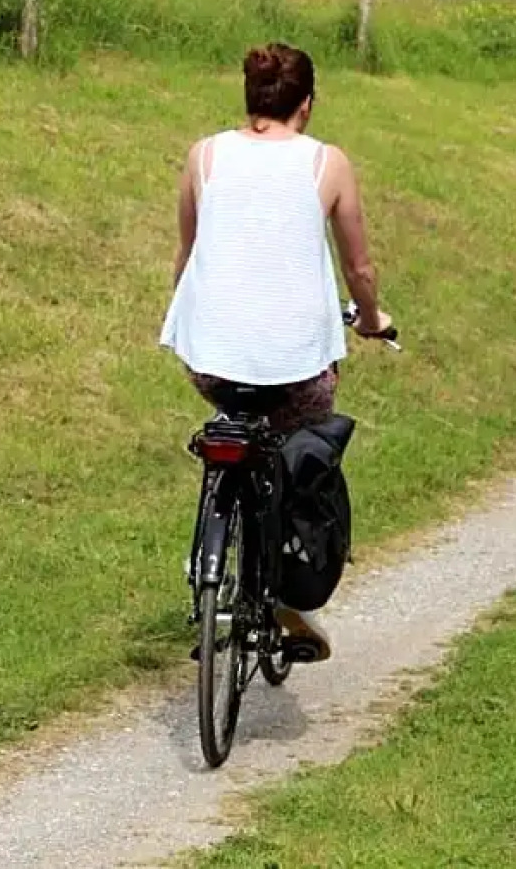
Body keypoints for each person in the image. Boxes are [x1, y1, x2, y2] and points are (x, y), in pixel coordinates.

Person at [160, 42, 392, 662]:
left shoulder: (203, 156)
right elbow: (359, 267)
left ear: (250, 98)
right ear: (306, 105)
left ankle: (213, 541)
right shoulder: (328, 164)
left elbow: (187, 255)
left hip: (209, 355)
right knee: (302, 437)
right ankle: (288, 589)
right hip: (296, 365)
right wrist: (371, 320)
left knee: (234, 424)